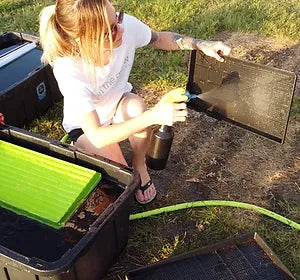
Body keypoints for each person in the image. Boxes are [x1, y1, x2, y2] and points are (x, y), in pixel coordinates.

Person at [39, 0, 231, 204]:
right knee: (125, 177)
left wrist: (199, 44)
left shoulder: (124, 26)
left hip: (119, 103)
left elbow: (158, 38)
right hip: (88, 130)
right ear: (83, 40)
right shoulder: (69, 69)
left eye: (117, 18)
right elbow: (97, 136)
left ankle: (140, 165)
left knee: (136, 108)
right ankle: (125, 169)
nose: (121, 28)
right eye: (109, 31)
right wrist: (153, 116)